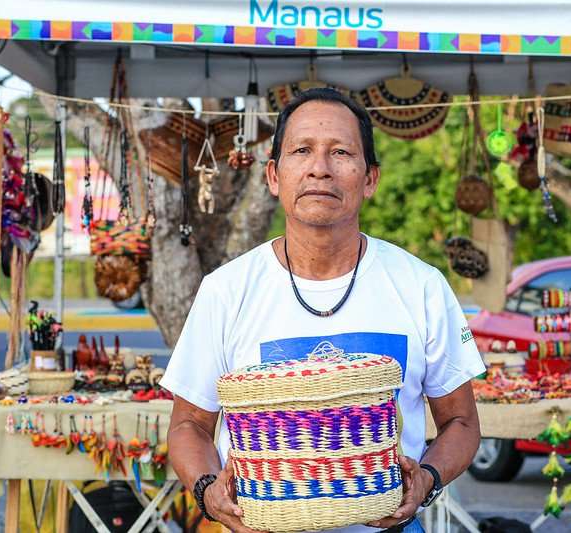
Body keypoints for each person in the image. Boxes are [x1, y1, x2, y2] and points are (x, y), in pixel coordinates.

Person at [161, 88, 485, 533]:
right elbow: (188, 427)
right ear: (274, 176)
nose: (320, 168)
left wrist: (425, 480)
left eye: (341, 152)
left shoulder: (421, 285)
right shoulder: (226, 290)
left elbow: (462, 422)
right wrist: (207, 492)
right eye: (301, 150)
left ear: (370, 178)